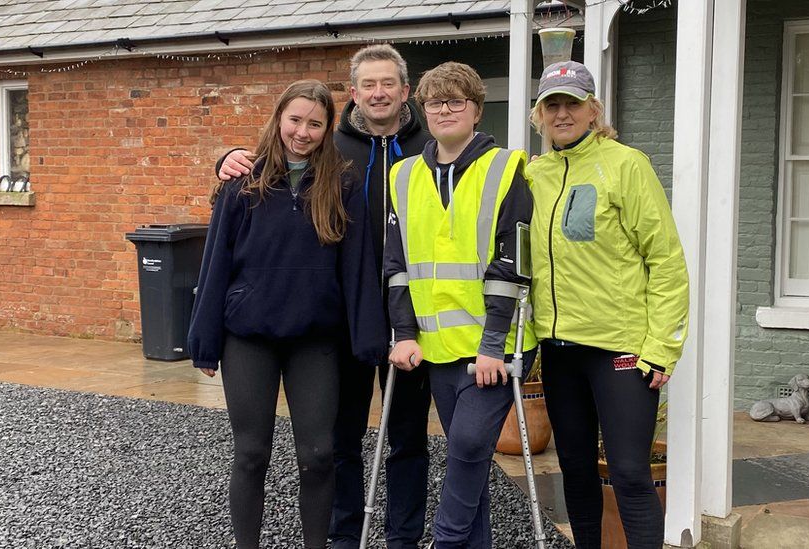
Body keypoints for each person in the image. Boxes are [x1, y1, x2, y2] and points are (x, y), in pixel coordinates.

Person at [216, 45, 432, 549]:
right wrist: (225, 158)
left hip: (414, 313)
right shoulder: (331, 148)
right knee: (338, 440)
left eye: (388, 84)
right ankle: (342, 536)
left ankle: (403, 538)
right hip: (341, 316)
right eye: (368, 85)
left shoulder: (432, 144)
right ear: (352, 94)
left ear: (405, 90)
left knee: (408, 437)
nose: (379, 93)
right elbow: (272, 165)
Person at [189, 79, 387, 549]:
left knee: (319, 455)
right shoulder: (242, 182)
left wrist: (368, 339)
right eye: (295, 120)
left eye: (315, 124)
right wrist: (204, 338)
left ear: (327, 128)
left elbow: (357, 269)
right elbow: (215, 261)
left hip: (314, 340)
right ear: (279, 118)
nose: (303, 132)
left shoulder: (341, 184)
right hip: (249, 337)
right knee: (252, 452)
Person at [525, 61, 689, 549]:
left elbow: (666, 262)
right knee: (574, 470)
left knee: (630, 472)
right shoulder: (534, 175)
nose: (562, 113)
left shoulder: (625, 164)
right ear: (539, 115)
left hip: (619, 352)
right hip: (558, 350)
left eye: (572, 103)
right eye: (551, 105)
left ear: (593, 109)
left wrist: (661, 347)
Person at [385, 61, 537, 549]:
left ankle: (445, 542)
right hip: (435, 345)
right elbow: (397, 264)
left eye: (456, 101)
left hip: (495, 345)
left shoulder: (508, 168)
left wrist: (493, 343)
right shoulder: (403, 175)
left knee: (470, 444)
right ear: (423, 110)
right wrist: (404, 332)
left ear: (476, 109)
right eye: (434, 102)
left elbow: (512, 263)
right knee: (466, 461)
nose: (444, 110)